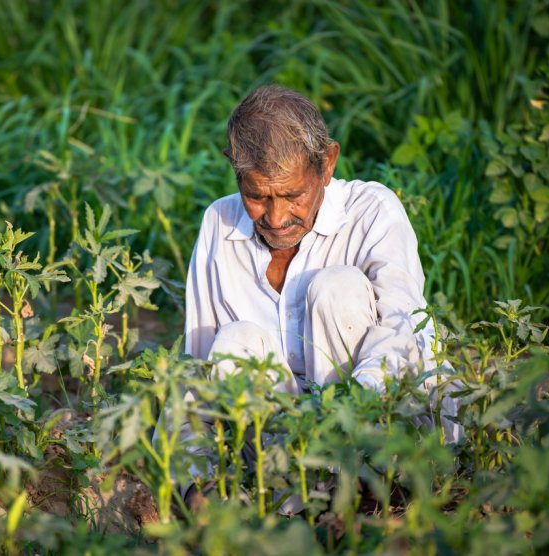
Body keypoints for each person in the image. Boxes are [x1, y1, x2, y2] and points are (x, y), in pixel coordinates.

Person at [180, 84, 461, 510]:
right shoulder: (218, 225)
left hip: (386, 434)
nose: (275, 218)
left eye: (292, 195)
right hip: (286, 462)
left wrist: (344, 422)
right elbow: (198, 372)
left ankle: (380, 491)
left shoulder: (371, 212)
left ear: (327, 165)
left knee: (338, 288)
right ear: (233, 171)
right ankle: (291, 503)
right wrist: (193, 483)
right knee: (235, 342)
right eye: (257, 196)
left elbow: (403, 335)